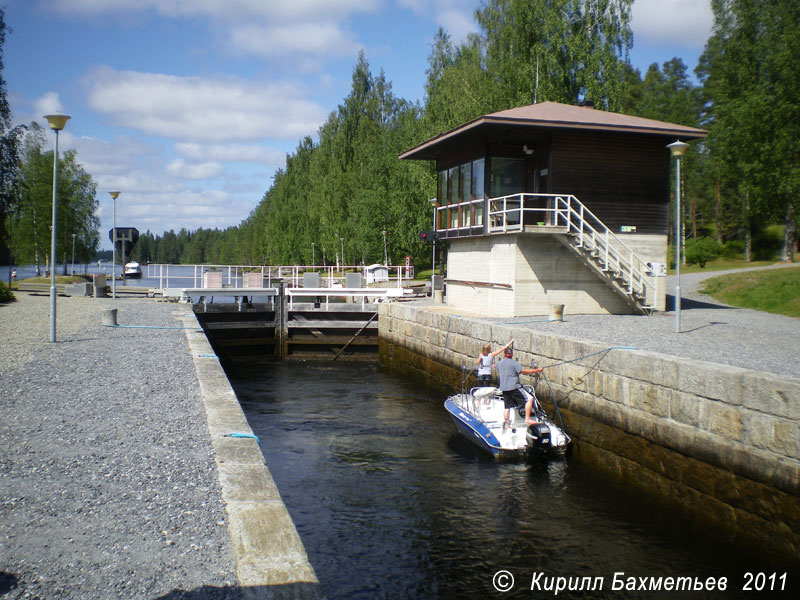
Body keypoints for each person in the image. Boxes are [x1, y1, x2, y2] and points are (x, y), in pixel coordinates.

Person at [496, 346, 544, 427]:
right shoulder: (514, 363)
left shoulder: (499, 364)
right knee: (530, 399)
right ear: (512, 355)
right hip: (514, 387)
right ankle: (527, 419)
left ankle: (507, 424)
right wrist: (537, 370)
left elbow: (495, 366)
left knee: (507, 406)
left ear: (504, 355)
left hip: (504, 388)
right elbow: (524, 371)